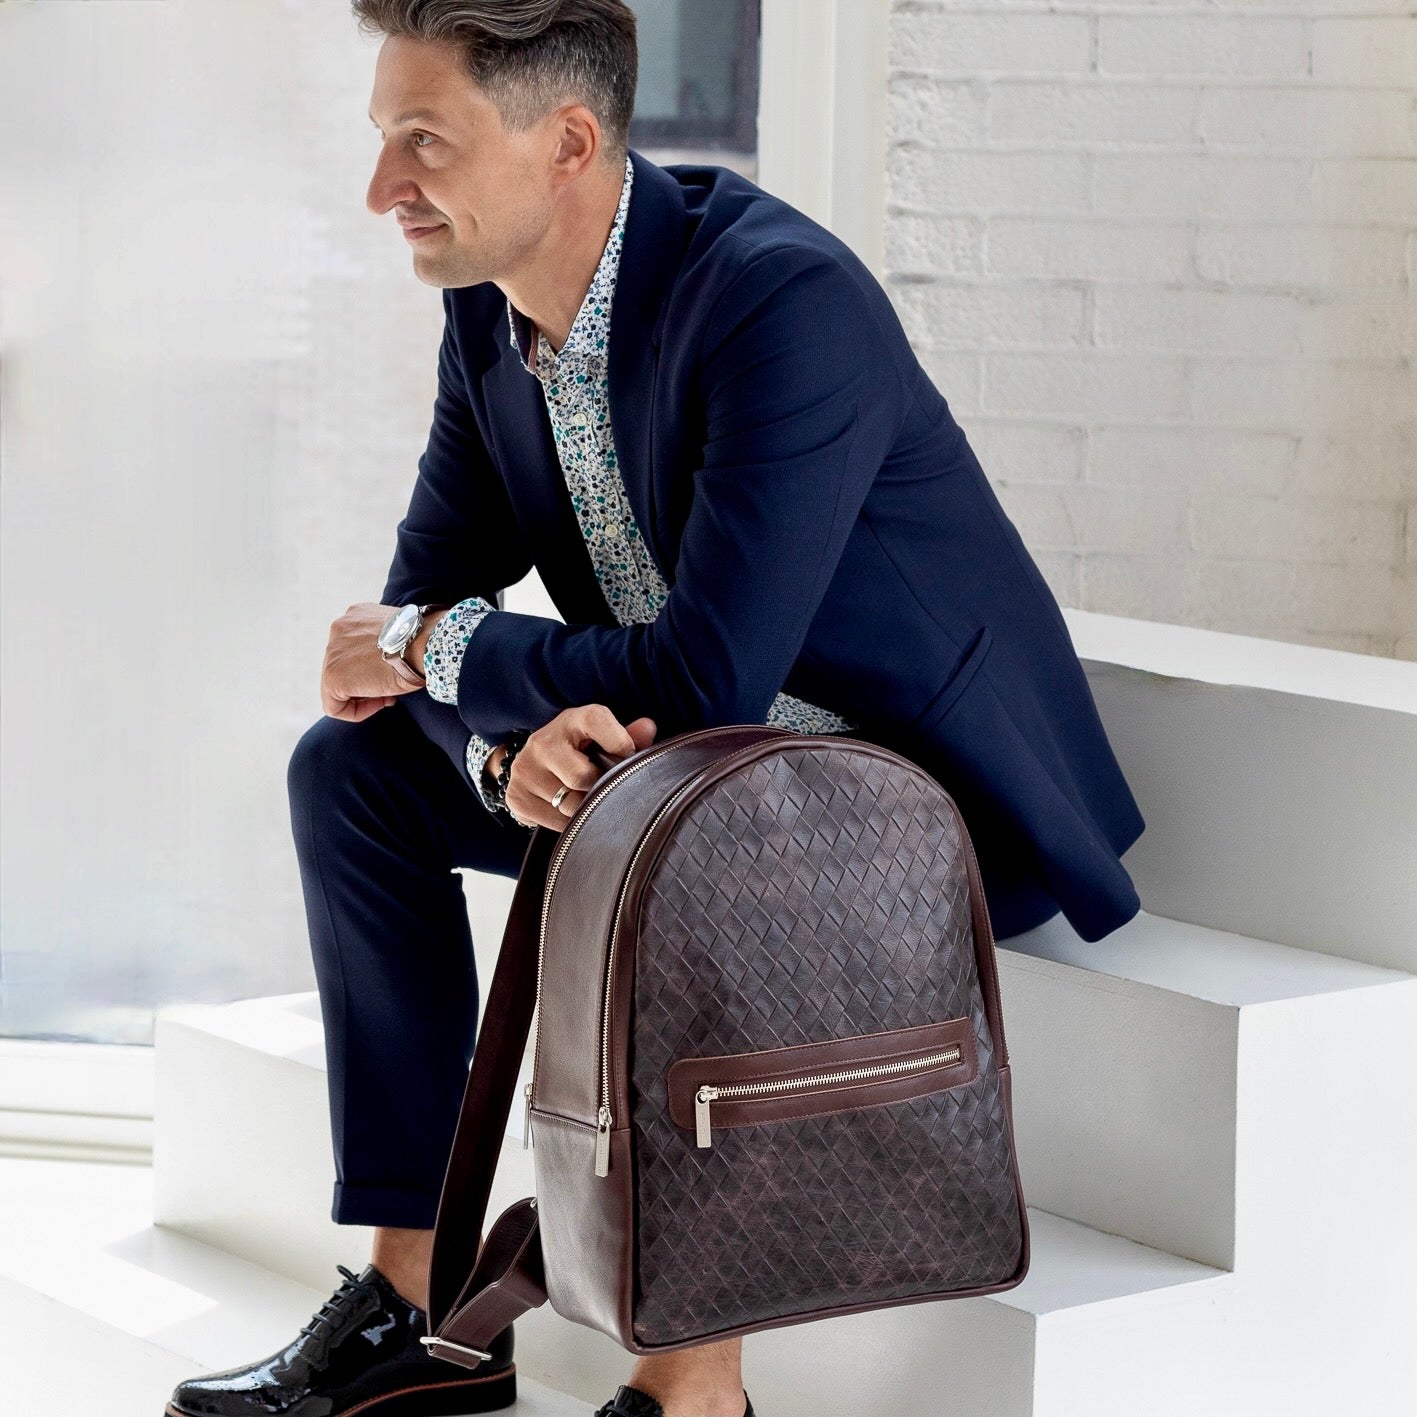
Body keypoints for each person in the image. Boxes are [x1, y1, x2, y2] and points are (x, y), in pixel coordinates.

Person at [165, 3, 1145, 1416]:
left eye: (423, 141)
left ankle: (693, 1389)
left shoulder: (778, 300)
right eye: (383, 139)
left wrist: (442, 649)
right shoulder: (489, 315)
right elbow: (421, 631)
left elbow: (691, 677)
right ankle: (421, 1301)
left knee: (696, 841)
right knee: (350, 773)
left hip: (908, 796)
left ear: (567, 142)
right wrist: (504, 753)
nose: (383, 188)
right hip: (675, 763)